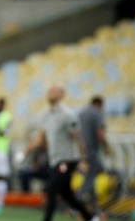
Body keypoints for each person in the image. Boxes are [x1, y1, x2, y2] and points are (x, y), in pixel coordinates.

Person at [23, 85, 98, 221]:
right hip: (54, 160)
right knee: (67, 195)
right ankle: (91, 217)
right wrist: (25, 152)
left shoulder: (68, 114)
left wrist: (83, 159)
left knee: (51, 189)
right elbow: (39, 138)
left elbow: (77, 137)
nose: (50, 92)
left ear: (62, 94)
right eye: (49, 90)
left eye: (54, 90)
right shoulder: (46, 115)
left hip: (67, 159)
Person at [78, 96, 110, 215]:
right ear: (99, 104)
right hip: (91, 150)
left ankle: (94, 208)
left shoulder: (81, 114)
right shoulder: (97, 113)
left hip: (79, 151)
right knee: (90, 178)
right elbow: (100, 133)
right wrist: (106, 148)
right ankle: (76, 203)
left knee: (89, 177)